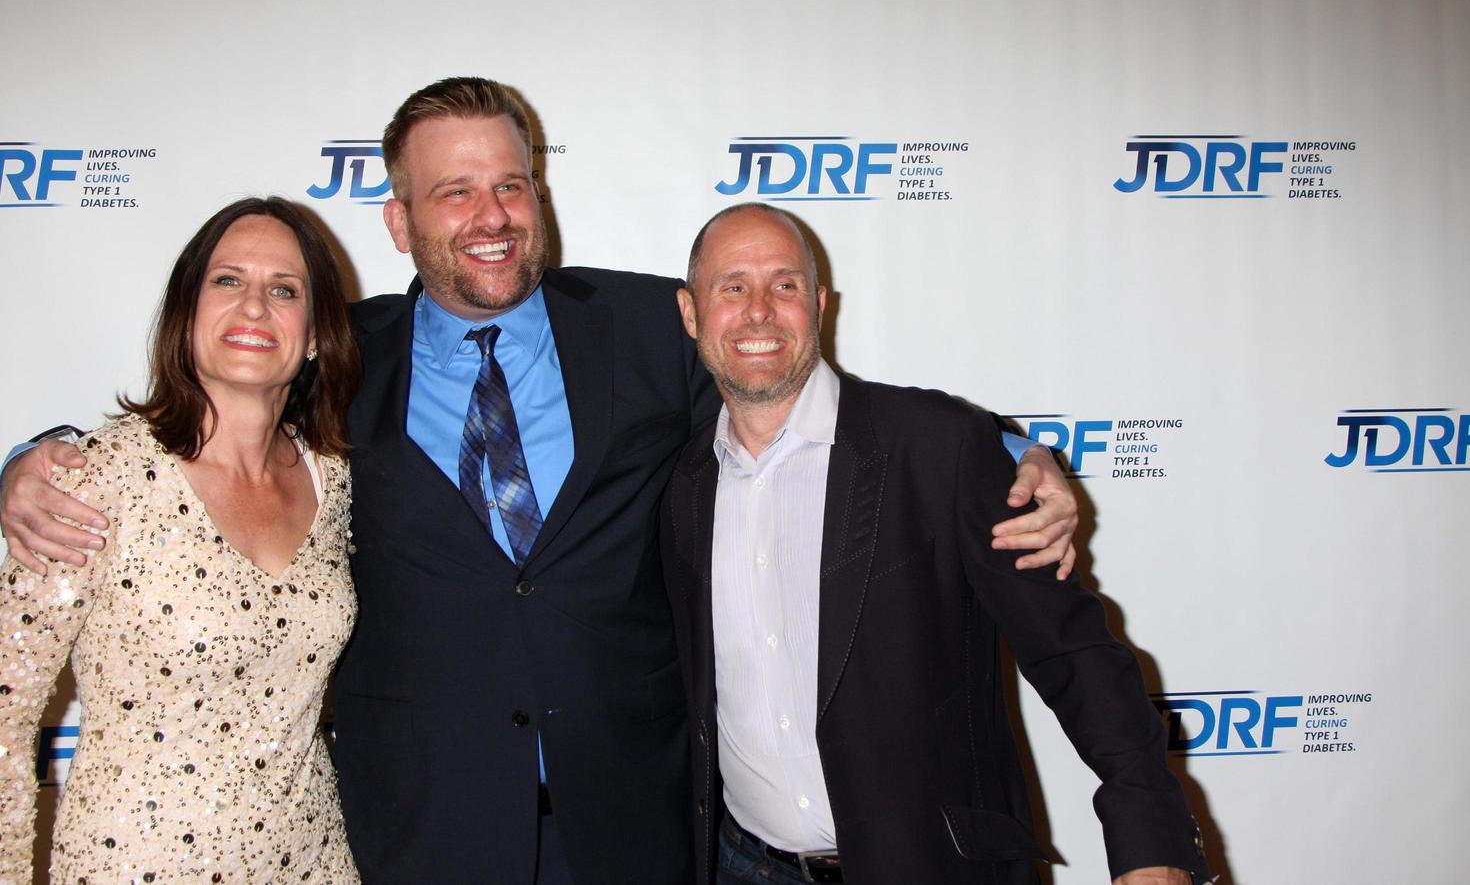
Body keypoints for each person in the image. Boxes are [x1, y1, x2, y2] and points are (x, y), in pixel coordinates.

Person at [0, 78, 1080, 883]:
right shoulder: (340, 359)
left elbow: (808, 398)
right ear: (400, 219)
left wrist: (1013, 459)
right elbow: (207, 407)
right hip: (420, 833)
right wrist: (29, 460)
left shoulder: (655, 329)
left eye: (511, 182)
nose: (491, 214)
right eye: (455, 190)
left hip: (636, 821)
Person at [661, 203, 1211, 885]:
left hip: (934, 867)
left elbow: (1074, 653)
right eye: (731, 287)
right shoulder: (681, 486)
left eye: (785, 285)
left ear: (820, 303)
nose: (759, 311)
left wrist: (1148, 838)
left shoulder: (937, 447)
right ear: (691, 313)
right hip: (745, 866)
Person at [0, 197, 362, 882]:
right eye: (227, 281)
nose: (254, 307)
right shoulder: (94, 479)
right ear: (186, 313)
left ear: (314, 334)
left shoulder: (332, 479)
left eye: (283, 290)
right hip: (136, 865)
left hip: (312, 861)